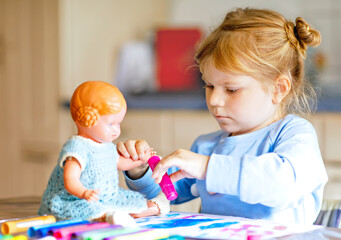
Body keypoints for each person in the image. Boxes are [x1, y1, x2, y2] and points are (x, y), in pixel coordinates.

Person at [118, 8, 328, 225]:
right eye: (209, 85)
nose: (214, 100)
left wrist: (207, 168)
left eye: (231, 89)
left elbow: (283, 185)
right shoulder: (207, 146)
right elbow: (167, 194)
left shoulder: (293, 134)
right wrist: (140, 170)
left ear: (279, 88)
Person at [38, 81, 168, 225]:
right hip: (76, 199)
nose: (116, 130)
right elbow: (70, 179)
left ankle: (140, 210)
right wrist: (83, 193)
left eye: (119, 124)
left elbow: (122, 163)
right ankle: (108, 216)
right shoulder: (77, 147)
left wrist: (141, 160)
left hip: (107, 196)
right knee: (87, 210)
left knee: (133, 200)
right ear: (88, 119)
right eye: (111, 124)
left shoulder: (107, 146)